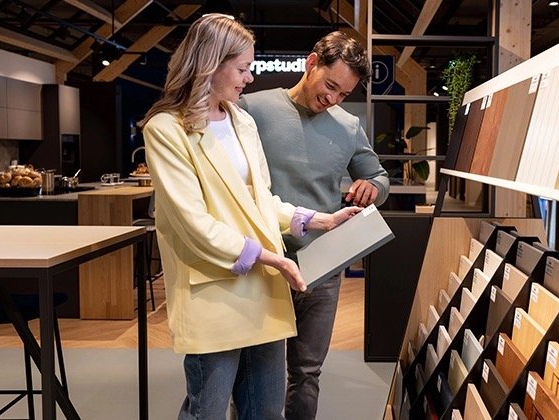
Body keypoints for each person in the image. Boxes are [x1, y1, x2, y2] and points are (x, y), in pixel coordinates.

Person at [139, 15, 361, 420]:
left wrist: (322, 220)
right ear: (211, 63)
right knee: (207, 410)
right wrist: (272, 258)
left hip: (262, 290)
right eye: (242, 68)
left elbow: (261, 201)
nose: (249, 77)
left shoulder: (241, 120)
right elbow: (193, 223)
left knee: (265, 410)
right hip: (214, 291)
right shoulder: (166, 129)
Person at [238, 31, 390, 419]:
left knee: (307, 373)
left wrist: (372, 187)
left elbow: (379, 177)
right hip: (264, 264)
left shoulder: (348, 126)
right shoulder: (252, 110)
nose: (333, 99)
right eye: (330, 86)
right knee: (255, 374)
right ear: (311, 63)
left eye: (344, 94)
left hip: (323, 265)